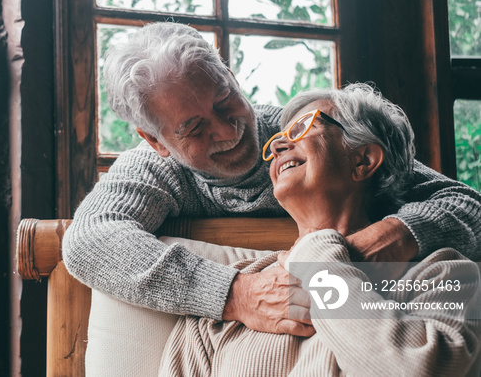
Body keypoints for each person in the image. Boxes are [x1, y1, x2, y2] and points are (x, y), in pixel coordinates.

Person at [62, 21, 481, 335]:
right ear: (154, 141)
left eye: (225, 100)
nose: (228, 131)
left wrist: (387, 237)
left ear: (230, 75)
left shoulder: (304, 135)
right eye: (193, 129)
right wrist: (236, 294)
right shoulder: (152, 168)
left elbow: (466, 205)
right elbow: (88, 241)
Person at [158, 84, 481, 376]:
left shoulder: (444, 276)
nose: (280, 143)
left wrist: (316, 248)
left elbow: (413, 369)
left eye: (301, 128)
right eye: (277, 140)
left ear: (364, 160)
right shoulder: (235, 300)